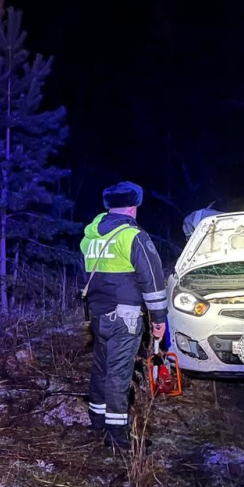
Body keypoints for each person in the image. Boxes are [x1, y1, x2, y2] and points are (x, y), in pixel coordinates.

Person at [80, 181, 167, 451]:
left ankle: (96, 418)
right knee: (119, 373)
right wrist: (159, 318)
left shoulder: (90, 235)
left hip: (98, 313)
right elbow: (152, 280)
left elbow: (86, 275)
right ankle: (117, 437)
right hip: (125, 316)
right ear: (133, 207)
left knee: (102, 367)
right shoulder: (133, 236)